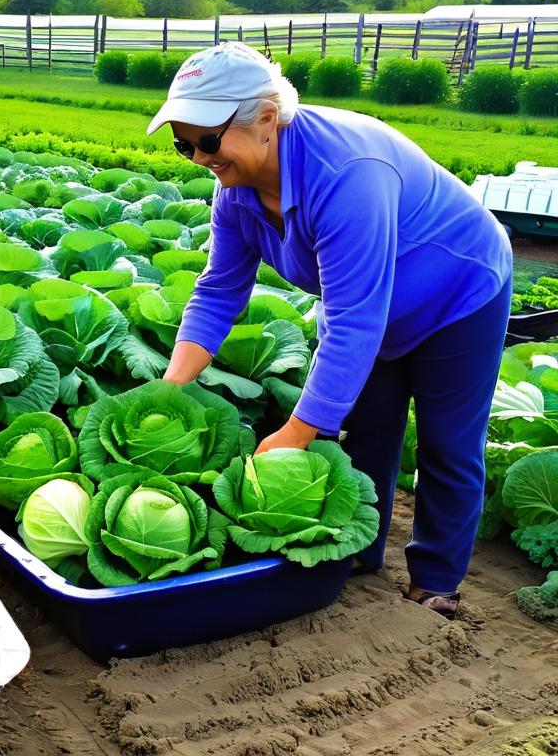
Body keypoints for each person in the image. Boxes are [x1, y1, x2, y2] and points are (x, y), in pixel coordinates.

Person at [150, 43, 512, 619]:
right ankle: (358, 555)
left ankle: (435, 584)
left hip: (456, 292)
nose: (197, 157)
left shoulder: (346, 175)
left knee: (446, 444)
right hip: (368, 308)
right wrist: (167, 390)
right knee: (367, 427)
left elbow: (353, 321)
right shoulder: (236, 193)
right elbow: (219, 289)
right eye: (183, 144)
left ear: (266, 118)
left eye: (209, 142)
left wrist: (297, 431)